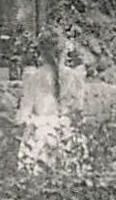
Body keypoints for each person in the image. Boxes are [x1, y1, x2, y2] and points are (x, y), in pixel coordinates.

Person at [16, 31, 86, 174]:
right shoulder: (73, 77)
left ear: (41, 53)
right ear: (64, 52)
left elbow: (25, 111)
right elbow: (78, 107)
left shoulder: (33, 77)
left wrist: (19, 123)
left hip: (40, 134)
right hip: (66, 132)